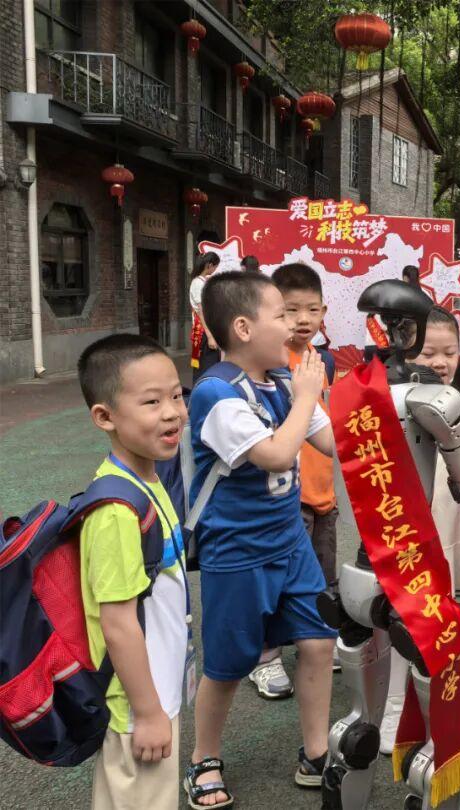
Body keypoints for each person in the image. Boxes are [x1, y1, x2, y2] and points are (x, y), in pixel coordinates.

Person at [184, 272, 337, 808]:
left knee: (318, 642)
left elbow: (332, 441)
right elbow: (275, 454)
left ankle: (316, 752)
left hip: (290, 543)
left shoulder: (283, 383)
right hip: (237, 554)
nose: (294, 326)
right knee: (228, 666)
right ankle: (204, 757)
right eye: (281, 315)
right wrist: (308, 396)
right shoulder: (216, 393)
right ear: (244, 328)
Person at [76, 335, 188, 810]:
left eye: (177, 395)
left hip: (157, 688)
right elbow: (118, 624)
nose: (172, 413)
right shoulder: (116, 510)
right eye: (151, 402)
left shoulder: (148, 479)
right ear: (105, 417)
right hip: (135, 703)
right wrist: (148, 713)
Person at [378, 307, 460, 755]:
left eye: (449, 351)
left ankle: (445, 713)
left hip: (452, 530)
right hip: (405, 534)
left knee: (449, 620)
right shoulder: (391, 406)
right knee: (401, 622)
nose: (440, 362)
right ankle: (393, 705)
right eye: (428, 353)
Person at [236, 263, 339, 702]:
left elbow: (330, 430)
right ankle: (266, 656)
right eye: (289, 311)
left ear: (324, 312)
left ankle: (312, 641)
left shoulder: (323, 360)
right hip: (284, 495)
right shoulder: (271, 365)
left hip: (323, 492)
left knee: (320, 578)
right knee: (275, 581)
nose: (301, 320)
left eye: (311, 310)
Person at [190, 252, 221, 380]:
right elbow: (201, 311)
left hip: (207, 329)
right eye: (215, 266)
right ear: (209, 265)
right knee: (206, 367)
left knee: (210, 365)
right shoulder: (198, 283)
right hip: (203, 331)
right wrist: (210, 336)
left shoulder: (203, 281)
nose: (215, 270)